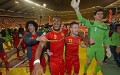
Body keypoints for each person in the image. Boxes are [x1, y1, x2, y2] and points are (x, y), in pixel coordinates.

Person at [71, 0, 110, 75]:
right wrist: (76, 9)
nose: (100, 15)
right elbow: (81, 19)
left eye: (101, 14)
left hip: (100, 48)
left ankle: (94, 73)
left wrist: (108, 49)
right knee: (88, 62)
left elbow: (106, 38)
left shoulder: (105, 26)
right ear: (94, 16)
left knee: (100, 63)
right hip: (91, 47)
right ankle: (85, 71)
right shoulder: (91, 23)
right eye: (98, 14)